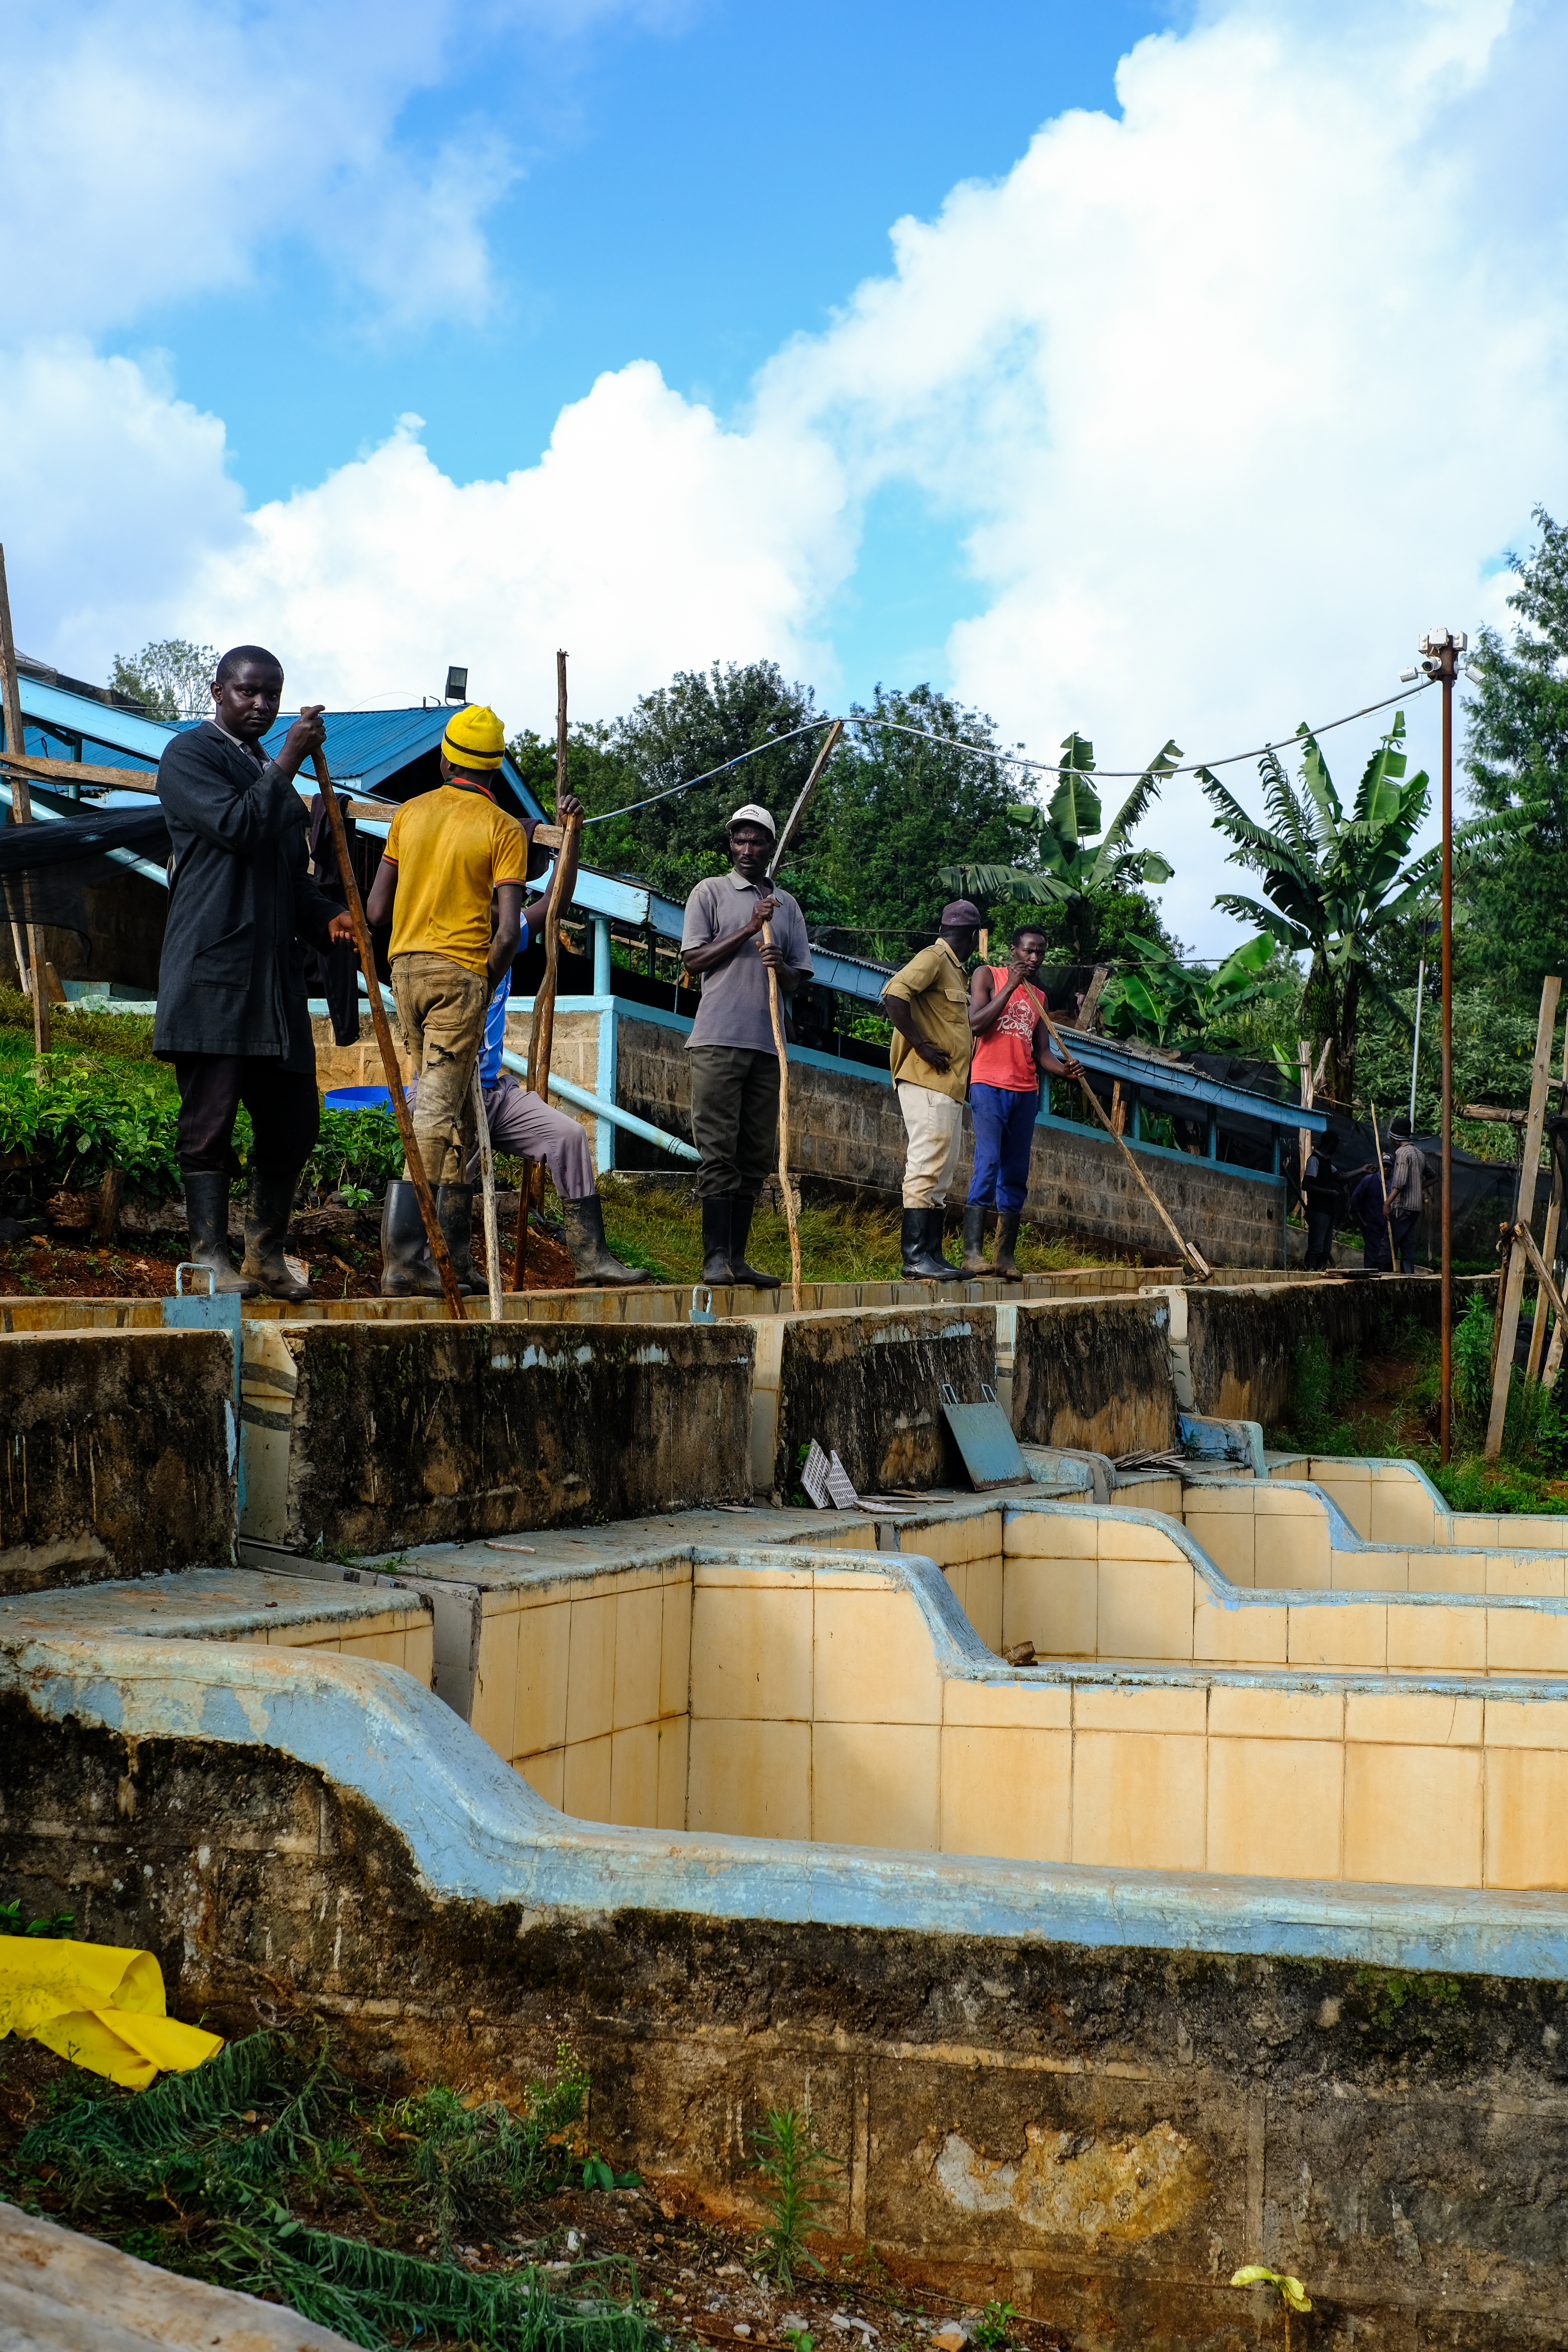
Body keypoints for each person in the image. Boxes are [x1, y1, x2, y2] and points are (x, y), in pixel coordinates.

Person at [153, 645, 355, 1300]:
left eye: (272, 694)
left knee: (294, 1126)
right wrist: (291, 755)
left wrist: (328, 916)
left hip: (274, 988)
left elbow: (288, 880)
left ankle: (266, 1255)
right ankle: (210, 1256)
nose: (262, 705)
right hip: (214, 976)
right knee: (209, 1126)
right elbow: (238, 827)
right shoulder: (190, 757)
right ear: (218, 691)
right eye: (248, 692)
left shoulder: (264, 768)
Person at [364, 703, 533, 1297]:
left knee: (461, 1117)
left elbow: (377, 911)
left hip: (404, 973)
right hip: (460, 976)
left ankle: (454, 1263)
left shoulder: (408, 815)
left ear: (444, 759)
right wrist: (483, 980)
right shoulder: (505, 829)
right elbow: (509, 932)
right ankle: (407, 1263)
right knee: (433, 1117)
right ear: (494, 770)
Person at [680, 804, 812, 1288]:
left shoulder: (788, 906)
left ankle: (737, 1260)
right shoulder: (709, 892)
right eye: (740, 840)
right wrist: (749, 928)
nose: (747, 850)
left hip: (768, 1046)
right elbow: (694, 962)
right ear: (730, 844)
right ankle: (714, 1260)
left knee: (755, 1156)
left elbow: (798, 981)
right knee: (718, 1151)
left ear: (769, 847)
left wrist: (781, 964)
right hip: (716, 1039)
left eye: (757, 842)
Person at [461, 967, 648, 1286]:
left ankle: (592, 1259)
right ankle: (439, 1264)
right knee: (454, 1169)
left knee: (568, 1135)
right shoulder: (454, 941)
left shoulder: (506, 931)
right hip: (451, 1089)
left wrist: (550, 913)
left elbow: (524, 925)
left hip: (494, 1090)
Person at [961, 925, 1083, 1279]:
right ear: (1013, 950)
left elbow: (1041, 1052)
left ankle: (1005, 1258)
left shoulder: (1040, 999)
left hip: (1025, 1091)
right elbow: (976, 1025)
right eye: (1028, 951)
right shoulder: (988, 975)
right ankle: (973, 1254)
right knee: (989, 1162)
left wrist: (1064, 1070)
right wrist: (1012, 986)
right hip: (987, 1084)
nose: (1034, 958)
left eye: (1040, 953)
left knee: (1015, 1172)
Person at [882, 900, 983, 1282]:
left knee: (941, 1171)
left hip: (949, 1086)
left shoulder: (954, 969)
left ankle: (932, 1255)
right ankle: (914, 1257)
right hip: (927, 1080)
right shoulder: (934, 958)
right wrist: (921, 1046)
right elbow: (894, 994)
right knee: (925, 1165)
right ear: (972, 936)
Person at [1387, 1114, 1426, 1274]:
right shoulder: (1419, 1153)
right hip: (1415, 1209)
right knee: (1407, 1246)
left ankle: (1384, 1278)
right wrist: (1417, 1187)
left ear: (1396, 1139)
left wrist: (1387, 1203)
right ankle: (1409, 1277)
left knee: (1389, 1244)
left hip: (1401, 1208)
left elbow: (1400, 1184)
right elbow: (1433, 1177)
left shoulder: (1403, 1153)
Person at [1302, 1128, 1342, 1271]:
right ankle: (1308, 1274)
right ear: (1331, 1144)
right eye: (1336, 1145)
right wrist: (1328, 1192)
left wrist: (1363, 1170)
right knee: (1316, 1249)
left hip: (1327, 1211)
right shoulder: (1315, 1160)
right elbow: (1306, 1185)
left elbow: (1340, 1177)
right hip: (1318, 1210)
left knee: (1325, 1250)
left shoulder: (1326, 1162)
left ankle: (1319, 1274)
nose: (1336, 1149)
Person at [1350, 1157, 1395, 1271]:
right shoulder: (1369, 1180)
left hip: (1389, 1229)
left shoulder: (1395, 1185)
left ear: (1393, 1167)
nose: (1386, 1169)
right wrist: (1363, 1222)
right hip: (1372, 1227)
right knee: (1371, 1260)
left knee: (1387, 1260)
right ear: (1380, 1165)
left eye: (1389, 1166)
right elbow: (1355, 1201)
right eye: (1384, 1165)